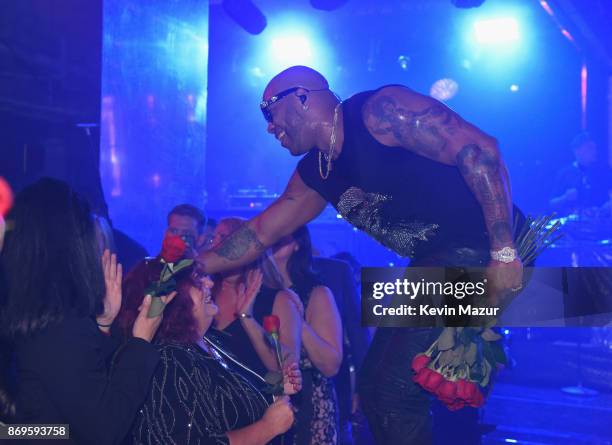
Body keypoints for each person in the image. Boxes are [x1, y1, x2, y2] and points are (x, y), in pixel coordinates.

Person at [196, 66, 524, 444]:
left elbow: (480, 150)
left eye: (269, 112)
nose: (270, 127)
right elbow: (260, 232)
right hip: (438, 260)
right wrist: (193, 266)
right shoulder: (316, 174)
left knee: (388, 390)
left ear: (301, 97)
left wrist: (503, 252)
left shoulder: (379, 112)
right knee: (416, 391)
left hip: (479, 246)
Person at [0, 178, 173, 444]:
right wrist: (140, 342)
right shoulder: (57, 326)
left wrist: (103, 325)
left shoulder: (31, 312)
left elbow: (59, 407)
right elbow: (105, 428)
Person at [117, 265, 299, 445]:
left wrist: (276, 391)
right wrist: (266, 428)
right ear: (170, 298)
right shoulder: (169, 360)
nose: (210, 283)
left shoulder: (212, 341)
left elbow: (232, 406)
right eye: (197, 281)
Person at [271, 226, 343, 445]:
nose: (273, 240)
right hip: (266, 400)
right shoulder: (255, 293)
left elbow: (331, 364)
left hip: (309, 401)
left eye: (281, 236)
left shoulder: (316, 293)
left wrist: (297, 321)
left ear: (297, 244)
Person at [207, 217, 302, 379]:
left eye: (223, 238)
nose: (214, 245)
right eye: (213, 238)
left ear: (248, 249)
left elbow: (288, 367)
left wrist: (247, 318)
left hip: (258, 400)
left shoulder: (278, 299)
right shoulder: (206, 290)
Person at [550, 132, 612, 215]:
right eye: (590, 148)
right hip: (573, 223)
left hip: (600, 222)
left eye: (595, 148)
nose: (595, 151)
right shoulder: (565, 173)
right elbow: (551, 204)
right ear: (577, 151)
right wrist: (564, 197)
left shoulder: (604, 170)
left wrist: (606, 208)